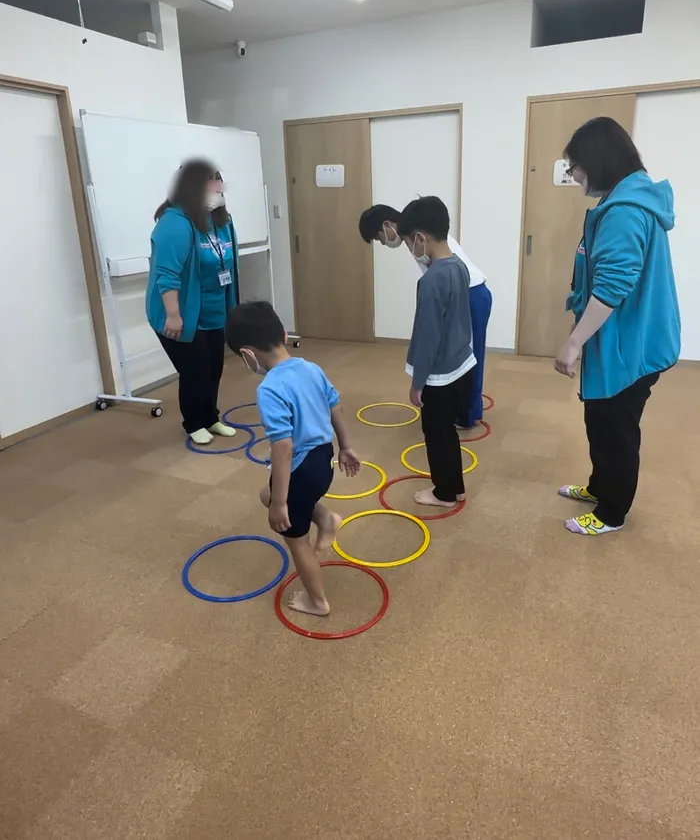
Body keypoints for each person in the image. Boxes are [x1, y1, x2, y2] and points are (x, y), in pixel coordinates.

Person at [554, 117, 680, 535]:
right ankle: (599, 486)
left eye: (574, 166)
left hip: (632, 344)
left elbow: (614, 285)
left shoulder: (625, 211)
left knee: (616, 428)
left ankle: (612, 513)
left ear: (596, 160)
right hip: (622, 338)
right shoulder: (624, 200)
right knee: (600, 419)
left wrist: (573, 343)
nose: (572, 175)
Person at [225, 301, 361, 617]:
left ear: (247, 355)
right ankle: (326, 519)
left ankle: (317, 601)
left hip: (300, 470)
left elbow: (283, 447)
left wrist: (280, 504)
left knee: (294, 538)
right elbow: (335, 405)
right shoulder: (311, 368)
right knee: (266, 494)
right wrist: (345, 446)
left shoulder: (270, 388)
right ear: (284, 334)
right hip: (323, 459)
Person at [359, 203, 491, 428]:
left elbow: (436, 283)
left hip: (472, 292)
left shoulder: (420, 237)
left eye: (381, 238)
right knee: (463, 353)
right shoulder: (420, 232)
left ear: (387, 225)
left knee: (469, 355)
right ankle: (464, 408)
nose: (384, 243)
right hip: (468, 291)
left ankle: (467, 413)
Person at [146, 159, 240, 445]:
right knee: (194, 369)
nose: (217, 188)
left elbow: (229, 265)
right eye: (209, 182)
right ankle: (194, 422)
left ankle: (211, 418)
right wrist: (173, 316)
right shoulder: (175, 222)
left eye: (217, 181)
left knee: (214, 367)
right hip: (181, 311)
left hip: (214, 309)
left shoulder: (222, 220)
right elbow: (167, 274)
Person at [396, 197, 475, 509]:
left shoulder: (431, 280)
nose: (409, 249)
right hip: (462, 365)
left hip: (440, 375)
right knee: (447, 432)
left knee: (435, 432)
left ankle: (443, 492)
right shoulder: (459, 267)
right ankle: (455, 487)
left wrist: (418, 382)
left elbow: (427, 336)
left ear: (420, 238)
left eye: (407, 242)